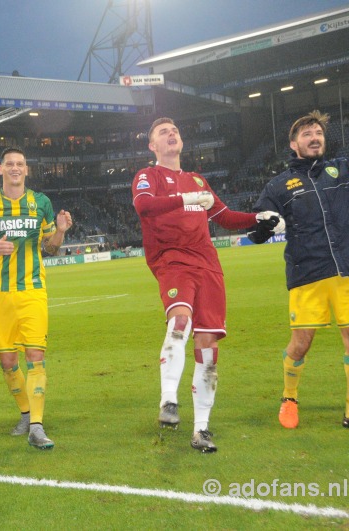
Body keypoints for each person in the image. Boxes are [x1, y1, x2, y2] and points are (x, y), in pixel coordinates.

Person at [132, 117, 283, 453]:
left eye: (174, 130)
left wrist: (257, 218)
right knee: (180, 320)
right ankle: (168, 400)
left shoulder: (197, 179)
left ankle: (201, 429)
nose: (171, 134)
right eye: (162, 133)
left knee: (208, 349)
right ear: (152, 146)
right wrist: (185, 198)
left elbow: (224, 216)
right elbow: (144, 207)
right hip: (172, 259)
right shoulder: (148, 176)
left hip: (208, 265)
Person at [250, 110, 349, 430]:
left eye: (317, 133)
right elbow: (262, 221)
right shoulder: (279, 185)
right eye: (306, 134)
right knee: (301, 342)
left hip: (347, 267)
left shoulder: (342, 170)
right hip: (308, 271)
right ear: (294, 144)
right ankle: (289, 397)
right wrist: (265, 227)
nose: (314, 138)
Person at [0, 148, 72, 450]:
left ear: (26, 170)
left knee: (35, 357)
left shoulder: (41, 203)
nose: (15, 168)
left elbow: (50, 249)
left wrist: (61, 232)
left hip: (32, 291)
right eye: (10, 164)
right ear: (1, 169)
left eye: (20, 165)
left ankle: (37, 426)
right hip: (0, 296)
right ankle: (26, 414)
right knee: (8, 361)